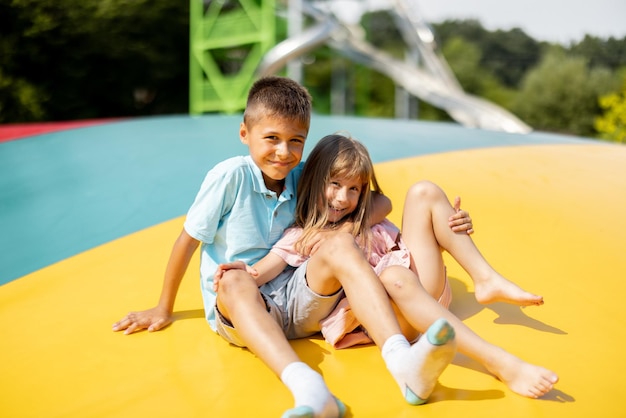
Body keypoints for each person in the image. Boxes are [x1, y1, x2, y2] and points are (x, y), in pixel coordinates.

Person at [112, 76, 469, 417]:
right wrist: (163, 307)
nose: (284, 152)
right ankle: (308, 387)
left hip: (301, 297)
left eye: (296, 140)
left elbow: (378, 201)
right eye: (271, 138)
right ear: (244, 133)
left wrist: (338, 230)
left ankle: (401, 360)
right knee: (234, 281)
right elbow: (187, 240)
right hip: (246, 303)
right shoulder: (231, 177)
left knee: (342, 245)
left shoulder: (300, 175)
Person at [218, 133, 559, 399]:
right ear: (314, 183)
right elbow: (267, 267)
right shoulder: (305, 235)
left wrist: (451, 226)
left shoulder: (363, 212)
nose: (342, 198)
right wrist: (241, 274)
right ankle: (499, 361)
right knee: (395, 276)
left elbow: (386, 201)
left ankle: (484, 278)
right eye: (334, 185)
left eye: (353, 189)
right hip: (396, 309)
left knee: (424, 191)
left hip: (422, 286)